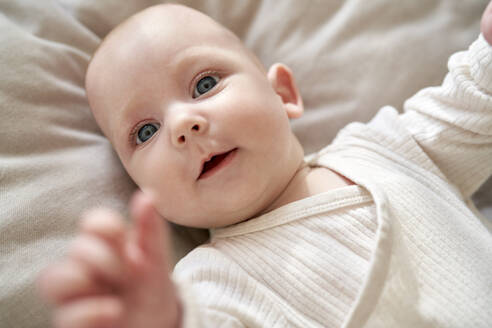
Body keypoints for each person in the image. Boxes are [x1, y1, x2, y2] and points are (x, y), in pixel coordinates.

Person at [38, 3, 492, 328]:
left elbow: (471, 109)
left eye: (205, 84)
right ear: (142, 192)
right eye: (144, 132)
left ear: (283, 95)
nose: (182, 124)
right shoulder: (210, 281)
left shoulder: (384, 148)